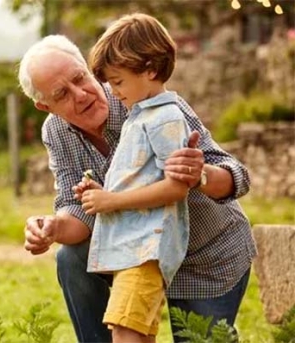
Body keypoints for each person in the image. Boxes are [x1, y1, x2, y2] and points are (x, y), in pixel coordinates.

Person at [17, 33, 257, 343]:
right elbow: (79, 210)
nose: (80, 94)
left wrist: (200, 173)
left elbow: (238, 176)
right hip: (136, 254)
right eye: (62, 93)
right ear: (44, 106)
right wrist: (52, 227)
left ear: (88, 67)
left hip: (203, 255)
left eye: (80, 78)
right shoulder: (56, 131)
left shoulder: (150, 100)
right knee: (70, 257)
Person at [76, 13, 192, 343]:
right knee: (133, 331)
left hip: (147, 249)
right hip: (132, 249)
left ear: (151, 69)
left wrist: (112, 201)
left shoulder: (164, 118)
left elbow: (177, 186)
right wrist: (102, 192)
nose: (113, 93)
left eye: (119, 81)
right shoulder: (139, 116)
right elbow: (142, 180)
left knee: (126, 332)